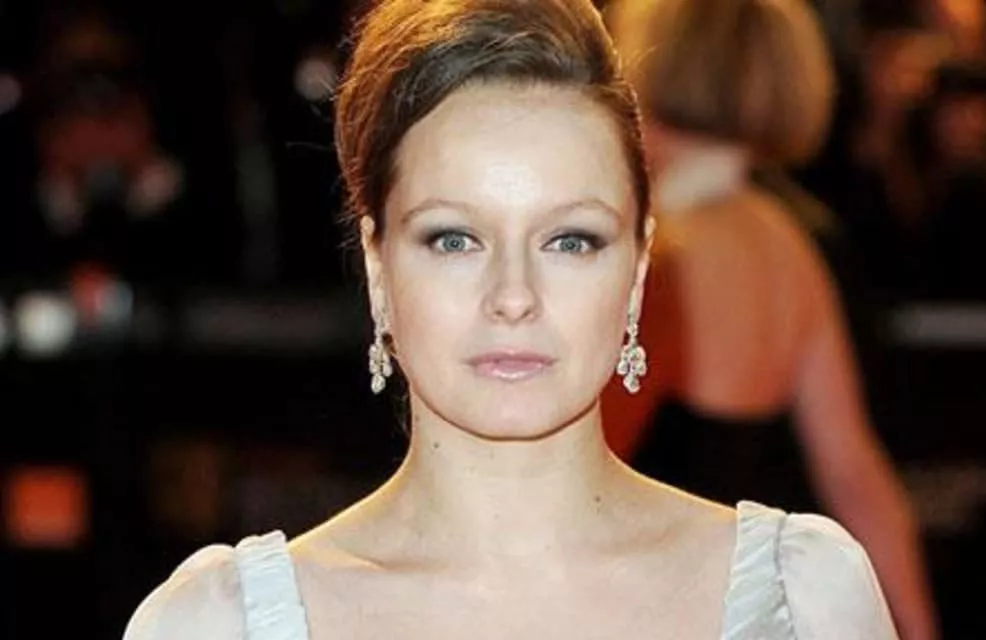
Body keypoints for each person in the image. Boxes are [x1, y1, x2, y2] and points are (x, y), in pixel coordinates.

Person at [123, 0, 898, 638]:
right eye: (454, 239)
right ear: (379, 269)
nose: (513, 294)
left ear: (635, 273)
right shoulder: (219, 623)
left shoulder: (803, 599)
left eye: (570, 240)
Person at [601, 0, 937, 638]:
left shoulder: (659, 252)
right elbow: (854, 472)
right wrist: (916, 626)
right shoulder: (790, 245)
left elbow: (583, 459)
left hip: (649, 606)